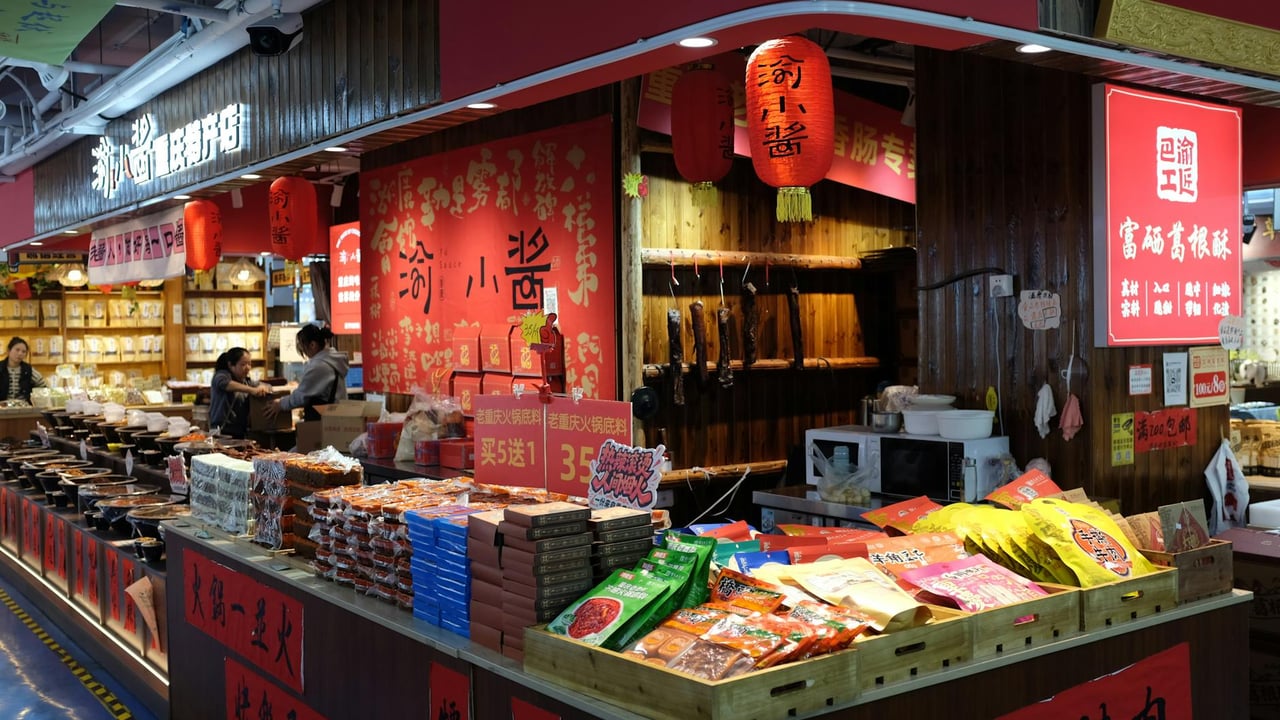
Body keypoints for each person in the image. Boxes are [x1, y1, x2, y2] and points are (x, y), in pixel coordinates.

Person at [266, 324, 349, 422]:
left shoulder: (319, 366)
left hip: (327, 422)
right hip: (337, 419)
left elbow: (302, 396)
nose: (303, 351)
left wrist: (280, 404)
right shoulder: (330, 360)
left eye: (303, 347)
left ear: (312, 345)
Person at [209, 347, 271, 439]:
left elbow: (268, 386)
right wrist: (252, 390)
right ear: (231, 365)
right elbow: (225, 384)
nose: (248, 368)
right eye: (243, 364)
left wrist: (263, 388)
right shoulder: (221, 375)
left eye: (249, 364)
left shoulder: (246, 382)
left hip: (240, 431)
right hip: (222, 431)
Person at [0, 337, 46, 404]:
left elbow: (42, 385)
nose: (20, 353)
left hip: (23, 407)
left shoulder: (28, 370)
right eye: (17, 350)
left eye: (23, 351)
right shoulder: (1, 367)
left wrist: (35, 399)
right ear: (9, 350)